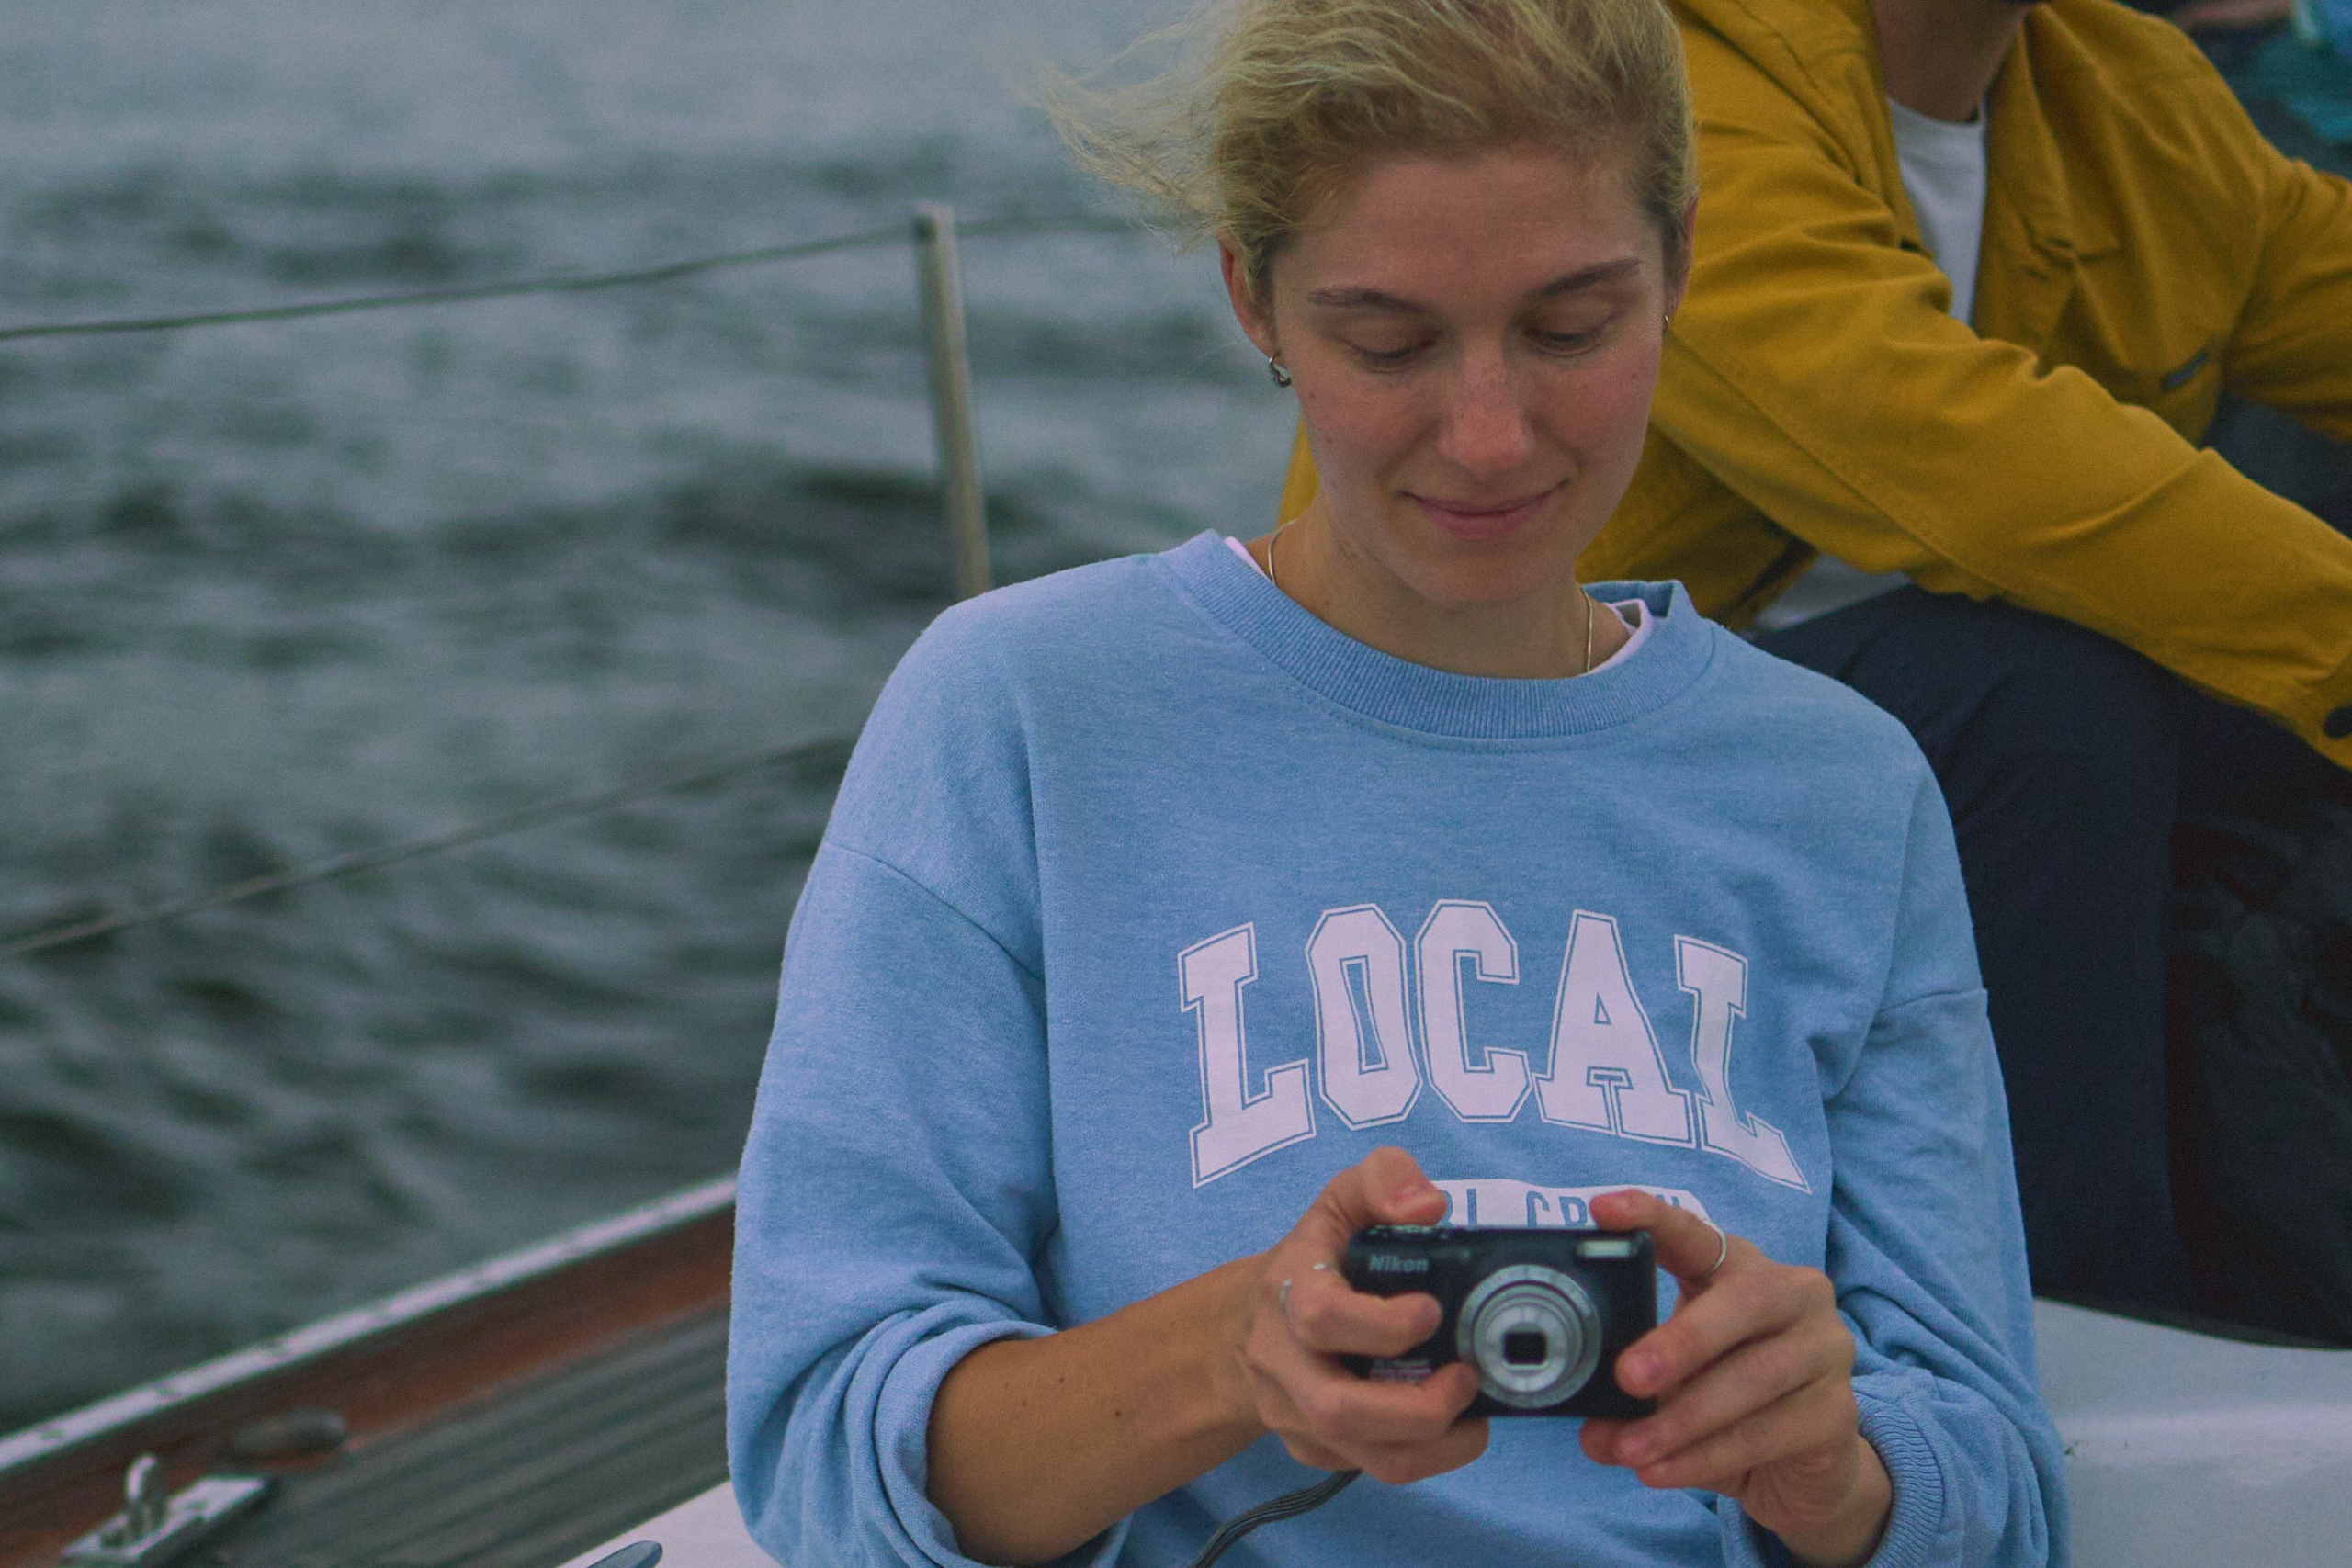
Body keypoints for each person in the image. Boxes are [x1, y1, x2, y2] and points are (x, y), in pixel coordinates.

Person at [729, 2, 2064, 1565]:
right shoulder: (1017, 716)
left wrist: (1837, 1471)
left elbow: (1999, 1486)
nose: (1491, 436)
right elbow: (830, 1459)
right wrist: (1239, 1352)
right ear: (1256, 300)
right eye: (1390, 341)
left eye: (1573, 326)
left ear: (1683, 266)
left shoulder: (1849, 791)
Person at [1269, 0, 2352, 1317]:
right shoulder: (1663, 86)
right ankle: (2074, 1312)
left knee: (2245, 723)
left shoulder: (2128, 95)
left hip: (1889, 732)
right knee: (2050, 704)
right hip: (1534, 751)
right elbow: (1958, 455)